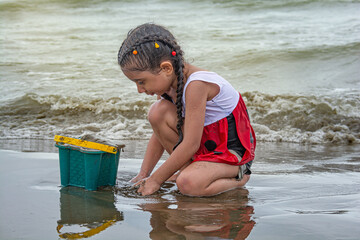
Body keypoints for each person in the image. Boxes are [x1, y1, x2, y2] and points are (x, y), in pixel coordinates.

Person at [117, 23, 256, 196]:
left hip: (231, 154)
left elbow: (191, 144)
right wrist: (144, 175)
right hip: (205, 149)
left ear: (166, 68)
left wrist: (156, 180)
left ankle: (239, 178)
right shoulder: (168, 85)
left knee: (188, 184)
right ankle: (191, 171)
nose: (139, 90)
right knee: (156, 113)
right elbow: (158, 134)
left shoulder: (196, 85)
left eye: (141, 81)